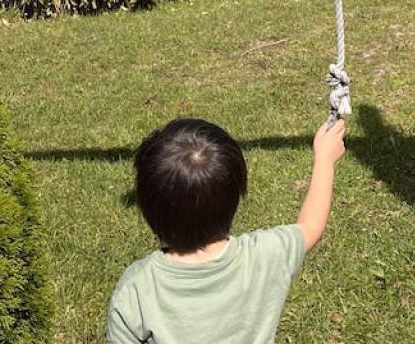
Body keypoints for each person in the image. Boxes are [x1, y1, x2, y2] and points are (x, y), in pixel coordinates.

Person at [107, 117, 347, 343]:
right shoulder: (266, 257)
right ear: (237, 195)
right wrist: (324, 160)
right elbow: (311, 226)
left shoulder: (137, 288)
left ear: (147, 209)